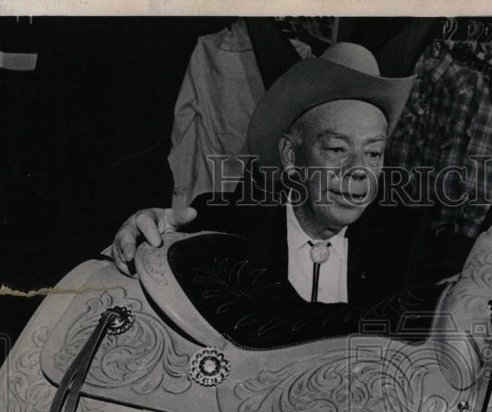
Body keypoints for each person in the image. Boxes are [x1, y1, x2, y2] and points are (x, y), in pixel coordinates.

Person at [110, 41, 473, 337]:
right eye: (336, 149)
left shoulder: (408, 242)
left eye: (374, 152)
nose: (358, 172)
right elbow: (168, 247)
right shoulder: (228, 224)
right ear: (291, 156)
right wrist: (147, 237)